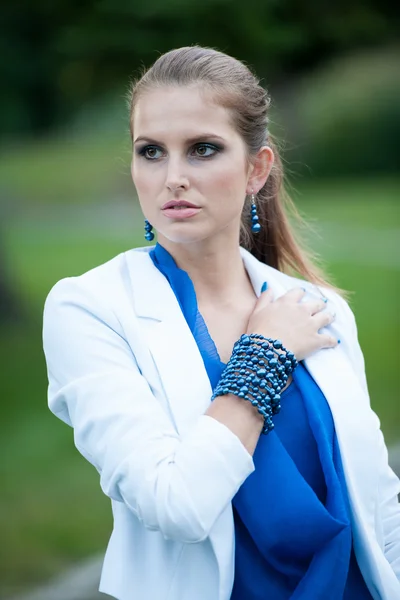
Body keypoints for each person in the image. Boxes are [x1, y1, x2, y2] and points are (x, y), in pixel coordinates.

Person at [42, 46, 400, 600]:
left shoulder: (316, 307)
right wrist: (263, 353)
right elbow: (175, 503)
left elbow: (378, 503)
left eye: (203, 149)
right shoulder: (88, 309)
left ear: (257, 168)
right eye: (151, 151)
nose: (174, 177)